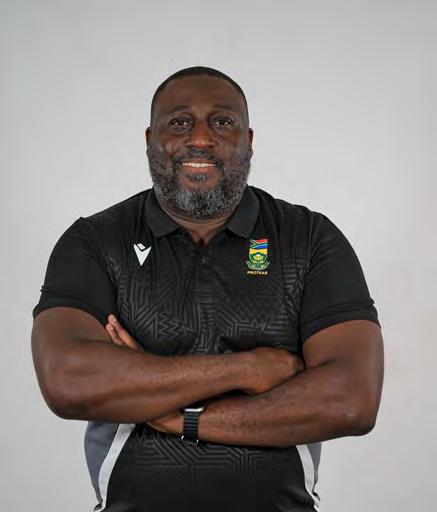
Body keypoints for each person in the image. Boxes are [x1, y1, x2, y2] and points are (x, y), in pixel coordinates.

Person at [31, 66, 384, 512]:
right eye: (180, 122)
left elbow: (351, 400)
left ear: (248, 140)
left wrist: (176, 418)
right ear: (150, 138)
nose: (200, 138)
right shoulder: (96, 241)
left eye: (222, 122)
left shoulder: (309, 239)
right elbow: (68, 380)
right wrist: (248, 369)